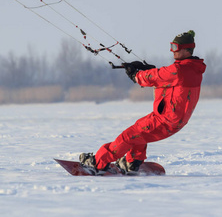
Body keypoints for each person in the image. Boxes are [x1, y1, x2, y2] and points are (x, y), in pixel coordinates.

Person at [80, 30, 206, 175]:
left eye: (175, 47)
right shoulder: (193, 69)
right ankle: (132, 162)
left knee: (127, 137)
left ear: (186, 49)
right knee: (138, 132)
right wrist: (149, 70)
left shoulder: (179, 70)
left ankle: (97, 163)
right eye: (172, 46)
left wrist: (136, 75)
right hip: (173, 121)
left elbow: (160, 75)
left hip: (164, 120)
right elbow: (165, 81)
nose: (172, 51)